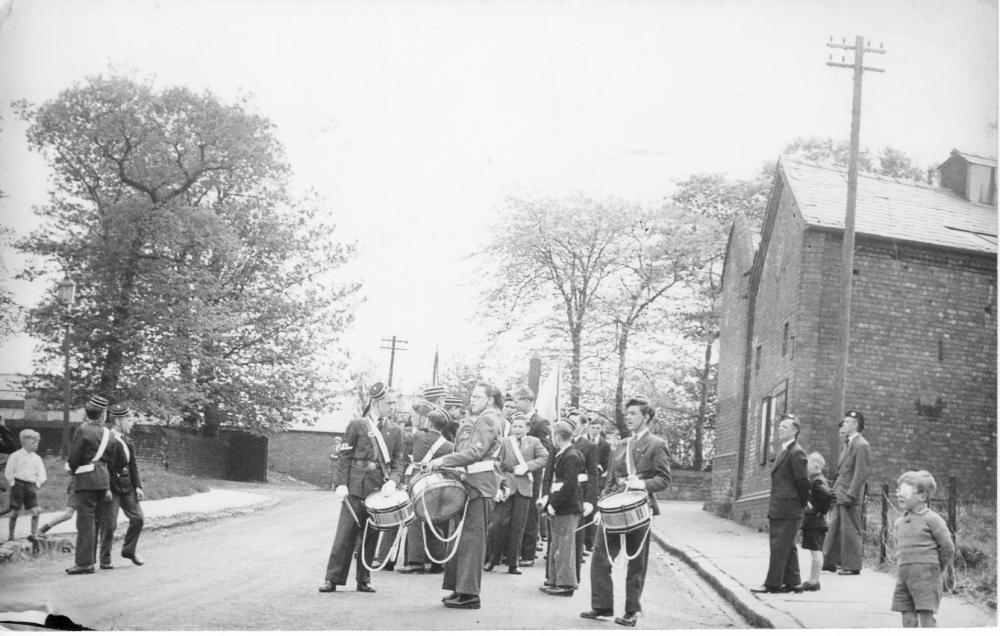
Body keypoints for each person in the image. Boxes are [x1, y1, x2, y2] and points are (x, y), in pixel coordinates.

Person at [582, 395, 671, 628]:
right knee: (600, 555)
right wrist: (601, 507)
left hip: (639, 508)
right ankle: (601, 606)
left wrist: (643, 484)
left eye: (633, 414)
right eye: (627, 413)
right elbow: (611, 480)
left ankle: (632, 610)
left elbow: (664, 479)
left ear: (647, 417)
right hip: (613, 507)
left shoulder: (657, 444)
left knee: (636, 561)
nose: (628, 417)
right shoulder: (621, 444)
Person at [319, 382, 406, 593]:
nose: (392, 406)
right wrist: (341, 483)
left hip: (378, 489)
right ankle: (333, 578)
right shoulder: (358, 424)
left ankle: (364, 579)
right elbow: (345, 456)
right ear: (376, 402)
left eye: (394, 402)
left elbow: (398, 461)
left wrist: (393, 480)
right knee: (345, 534)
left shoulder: (395, 430)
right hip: (356, 486)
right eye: (388, 402)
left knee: (371, 534)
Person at [430, 381, 503, 610]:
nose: (472, 400)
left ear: (489, 400)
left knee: (472, 540)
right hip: (470, 483)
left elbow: (475, 452)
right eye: (472, 396)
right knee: (461, 537)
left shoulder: (488, 418)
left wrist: (443, 460)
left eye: (477, 396)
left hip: (479, 486)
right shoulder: (480, 418)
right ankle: (460, 588)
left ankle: (470, 593)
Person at [750, 414, 810, 595]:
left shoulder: (796, 452)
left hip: (789, 508)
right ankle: (794, 583)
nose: (780, 428)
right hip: (781, 506)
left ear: (795, 430)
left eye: (785, 426)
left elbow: (803, 481)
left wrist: (803, 503)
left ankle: (772, 585)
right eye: (780, 426)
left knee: (778, 546)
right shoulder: (784, 450)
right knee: (787, 546)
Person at [485, 412, 548, 573]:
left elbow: (545, 457)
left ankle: (513, 563)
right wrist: (498, 485)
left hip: (524, 488)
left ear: (528, 428)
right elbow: (496, 462)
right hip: (507, 486)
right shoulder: (505, 442)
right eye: (515, 426)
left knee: (518, 526)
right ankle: (493, 559)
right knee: (498, 525)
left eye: (521, 426)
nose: (517, 429)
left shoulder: (534, 442)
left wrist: (527, 466)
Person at [892, 470, 955, 628]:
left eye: (905, 491)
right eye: (898, 490)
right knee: (907, 618)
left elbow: (947, 547)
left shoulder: (932, 519)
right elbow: (898, 547)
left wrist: (936, 567)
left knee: (926, 618)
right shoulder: (899, 522)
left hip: (927, 576)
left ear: (922, 496)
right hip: (904, 576)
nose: (899, 495)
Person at [398, 405, 454, 574]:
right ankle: (438, 560)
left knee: (415, 519)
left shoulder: (418, 436)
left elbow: (402, 437)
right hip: (437, 483)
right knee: (434, 519)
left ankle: (415, 561)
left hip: (417, 480)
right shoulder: (449, 445)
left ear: (428, 422)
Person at [66, 395, 114, 575]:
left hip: (85, 481)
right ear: (103, 415)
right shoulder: (109, 434)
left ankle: (85, 563)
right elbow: (111, 459)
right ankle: (94, 559)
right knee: (97, 521)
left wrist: (73, 469)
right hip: (103, 480)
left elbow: (73, 458)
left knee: (85, 522)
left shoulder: (83, 430)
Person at [538, 419, 585, 597]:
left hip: (567, 507)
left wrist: (554, 504)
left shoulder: (571, 456)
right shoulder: (566, 454)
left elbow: (570, 484)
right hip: (562, 506)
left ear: (557, 437)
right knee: (557, 544)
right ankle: (556, 580)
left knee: (564, 546)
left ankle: (566, 583)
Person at [823, 410, 872, 575]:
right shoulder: (849, 443)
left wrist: (851, 494)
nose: (843, 424)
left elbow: (861, 473)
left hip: (849, 495)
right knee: (835, 528)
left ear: (856, 425)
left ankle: (851, 566)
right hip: (840, 492)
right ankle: (831, 562)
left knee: (850, 530)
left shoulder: (861, 445)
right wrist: (835, 489)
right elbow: (842, 471)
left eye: (847, 422)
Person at [98, 404, 145, 568]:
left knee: (138, 519)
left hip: (128, 486)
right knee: (109, 523)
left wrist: (138, 486)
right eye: (129, 420)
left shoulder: (127, 440)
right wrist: (106, 488)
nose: (131, 423)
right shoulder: (107, 439)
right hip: (112, 487)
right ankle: (105, 559)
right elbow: (103, 465)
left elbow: (133, 465)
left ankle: (129, 550)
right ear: (118, 421)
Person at [512, 385, 551, 567]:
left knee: (530, 515)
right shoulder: (513, 420)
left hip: (531, 477)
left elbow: (546, 451)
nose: (514, 404)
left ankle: (527, 553)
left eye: (517, 400)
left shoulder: (541, 423)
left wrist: (528, 466)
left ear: (527, 401)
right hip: (513, 475)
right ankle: (512, 551)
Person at [797, 451, 832, 591]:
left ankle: (814, 581)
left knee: (816, 551)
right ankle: (813, 580)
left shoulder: (817, 480)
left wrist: (818, 510)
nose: (806, 467)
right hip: (816, 521)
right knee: (815, 551)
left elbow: (827, 494)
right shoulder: (818, 479)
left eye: (808, 463)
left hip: (815, 521)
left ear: (816, 466)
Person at [5, 429, 46, 542]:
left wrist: (37, 484)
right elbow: (9, 471)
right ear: (24, 443)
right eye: (33, 443)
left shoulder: (37, 459)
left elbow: (42, 474)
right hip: (18, 486)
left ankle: (33, 535)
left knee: (37, 510)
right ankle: (11, 536)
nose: (36, 445)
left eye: (37, 443)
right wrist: (13, 483)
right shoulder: (15, 456)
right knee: (14, 513)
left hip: (30, 487)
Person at [585, 417, 611, 552]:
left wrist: (600, 467)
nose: (595, 430)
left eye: (598, 428)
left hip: (597, 480)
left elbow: (607, 464)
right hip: (584, 478)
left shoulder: (605, 445)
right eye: (593, 427)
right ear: (588, 428)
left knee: (593, 510)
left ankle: (590, 543)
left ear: (601, 429)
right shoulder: (583, 441)